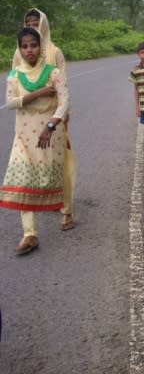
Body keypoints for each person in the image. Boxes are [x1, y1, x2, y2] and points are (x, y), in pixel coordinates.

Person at [1, 27, 75, 254]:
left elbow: (64, 102)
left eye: (33, 45)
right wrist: (41, 92)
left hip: (50, 133)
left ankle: (67, 211)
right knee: (24, 179)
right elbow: (10, 102)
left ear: (40, 46)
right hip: (23, 135)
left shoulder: (54, 73)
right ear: (19, 49)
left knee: (55, 176)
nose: (29, 50)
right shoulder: (14, 75)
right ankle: (29, 234)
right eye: (24, 46)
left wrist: (51, 125)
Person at [12, 8, 66, 73]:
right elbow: (13, 78)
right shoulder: (19, 52)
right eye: (28, 25)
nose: (31, 28)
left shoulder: (55, 52)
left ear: (44, 26)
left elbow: (62, 80)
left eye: (36, 25)